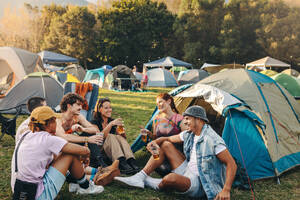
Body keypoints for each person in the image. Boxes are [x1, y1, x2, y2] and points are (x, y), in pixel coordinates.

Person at [114, 105, 237, 200]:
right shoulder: (190, 133)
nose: (185, 122)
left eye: (188, 119)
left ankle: (150, 182)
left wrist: (226, 189)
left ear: (198, 119)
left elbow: (231, 164)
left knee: (170, 178)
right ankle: (141, 176)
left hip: (200, 183)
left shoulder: (213, 140)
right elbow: (168, 139)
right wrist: (156, 141)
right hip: (187, 170)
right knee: (166, 145)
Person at [11, 106, 104, 199]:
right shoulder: (48, 139)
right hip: (36, 195)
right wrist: (86, 155)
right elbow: (83, 150)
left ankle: (75, 182)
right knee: (70, 154)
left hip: (18, 190)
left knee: (60, 155)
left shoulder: (26, 135)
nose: (57, 123)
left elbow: (54, 158)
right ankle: (86, 187)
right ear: (49, 123)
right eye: (55, 120)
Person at [90, 97, 139, 175]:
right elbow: (99, 138)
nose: (109, 110)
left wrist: (122, 132)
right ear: (99, 109)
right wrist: (110, 125)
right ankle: (121, 162)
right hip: (100, 150)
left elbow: (123, 139)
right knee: (110, 136)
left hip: (112, 150)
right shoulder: (94, 122)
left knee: (119, 137)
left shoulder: (111, 121)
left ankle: (131, 160)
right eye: (106, 108)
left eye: (110, 107)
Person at [141, 93, 185, 176]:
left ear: (169, 101)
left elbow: (185, 139)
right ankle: (150, 169)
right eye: (157, 104)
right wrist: (148, 134)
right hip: (160, 153)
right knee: (153, 145)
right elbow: (155, 137)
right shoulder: (156, 119)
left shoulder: (179, 118)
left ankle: (150, 170)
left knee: (165, 144)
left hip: (175, 152)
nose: (159, 105)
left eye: (160, 102)